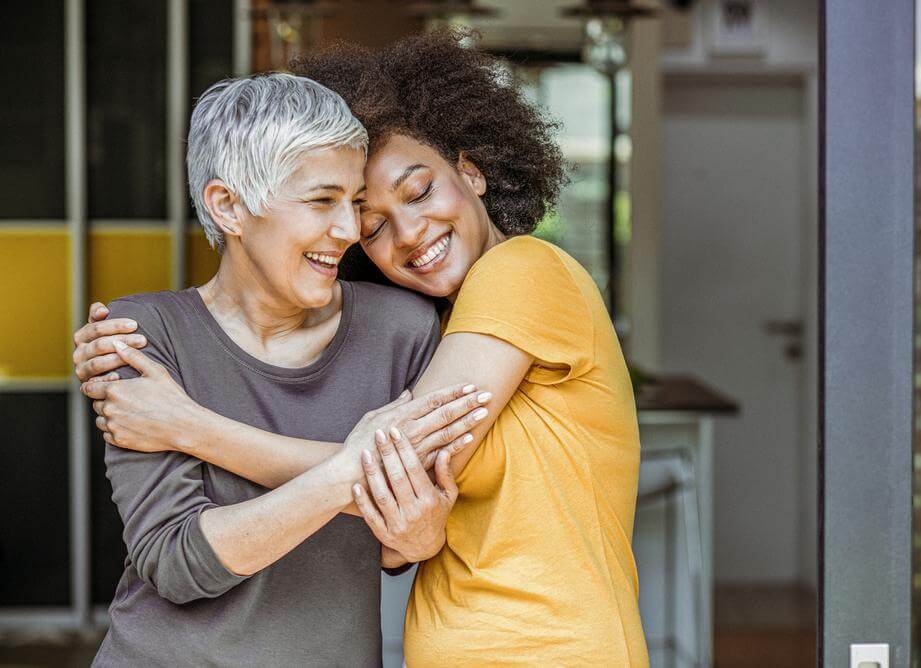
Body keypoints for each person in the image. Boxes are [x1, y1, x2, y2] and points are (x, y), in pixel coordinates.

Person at [76, 30, 649, 666]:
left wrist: (187, 427)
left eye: (419, 190)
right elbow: (386, 515)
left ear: (472, 170)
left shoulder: (515, 273)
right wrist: (407, 523)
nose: (387, 232)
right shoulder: (427, 327)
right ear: (229, 208)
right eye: (364, 218)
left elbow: (396, 476)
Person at [78, 72, 491, 667]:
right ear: (229, 207)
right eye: (322, 201)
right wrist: (351, 472)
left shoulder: (403, 329)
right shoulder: (140, 336)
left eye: (353, 204)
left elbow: (408, 538)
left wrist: (414, 533)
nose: (350, 231)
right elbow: (177, 563)